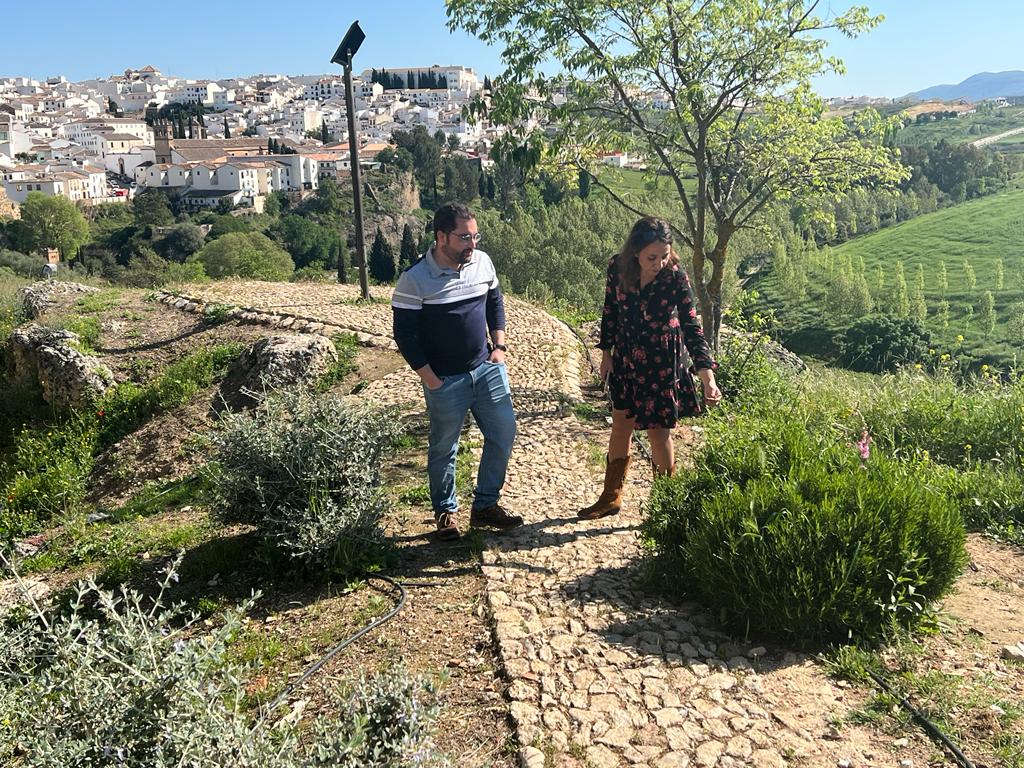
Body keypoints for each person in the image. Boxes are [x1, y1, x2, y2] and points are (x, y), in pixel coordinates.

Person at [392, 202, 522, 540]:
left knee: (504, 433)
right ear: (441, 237)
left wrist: (500, 347)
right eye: (464, 237)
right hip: (445, 380)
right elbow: (404, 335)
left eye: (475, 236)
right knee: (444, 447)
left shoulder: (482, 263)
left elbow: (495, 302)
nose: (472, 244)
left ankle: (485, 506)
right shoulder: (415, 279)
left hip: (487, 368)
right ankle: (445, 513)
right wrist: (430, 378)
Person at [578, 216, 722, 520]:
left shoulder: (675, 276)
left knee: (659, 434)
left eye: (665, 255)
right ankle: (610, 497)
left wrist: (707, 376)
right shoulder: (617, 268)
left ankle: (664, 506)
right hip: (627, 360)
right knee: (620, 427)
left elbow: (691, 326)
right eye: (652, 257)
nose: (658, 263)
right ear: (635, 252)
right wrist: (606, 354)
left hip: (661, 364)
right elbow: (610, 312)